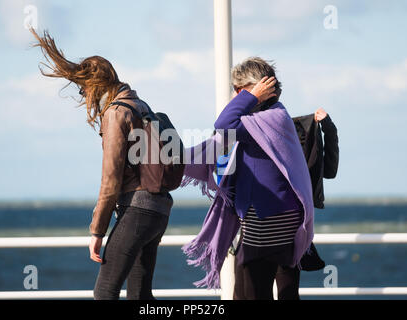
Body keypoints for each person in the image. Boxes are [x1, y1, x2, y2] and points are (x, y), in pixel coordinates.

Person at [30, 29, 174, 300]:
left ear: (95, 84)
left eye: (83, 88)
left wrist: (97, 231)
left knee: (105, 291)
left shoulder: (116, 113)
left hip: (137, 210)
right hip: (160, 210)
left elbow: (110, 181)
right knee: (140, 296)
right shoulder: (141, 105)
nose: (83, 94)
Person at [180, 57, 314, 298]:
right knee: (247, 290)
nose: (235, 95)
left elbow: (223, 124)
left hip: (268, 219)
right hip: (274, 216)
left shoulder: (267, 120)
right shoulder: (270, 118)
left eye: (237, 90)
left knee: (253, 293)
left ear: (251, 90)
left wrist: (250, 97)